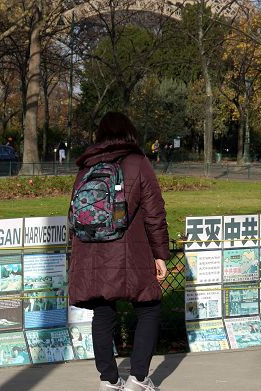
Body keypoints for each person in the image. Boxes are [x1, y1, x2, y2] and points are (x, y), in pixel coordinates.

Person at [69, 112, 169, 391]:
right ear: (130, 133)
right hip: (131, 252)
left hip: (91, 253)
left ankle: (110, 381)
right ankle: (139, 378)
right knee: (149, 308)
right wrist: (160, 253)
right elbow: (154, 213)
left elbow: (75, 216)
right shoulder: (138, 163)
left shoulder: (85, 167)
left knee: (102, 313)